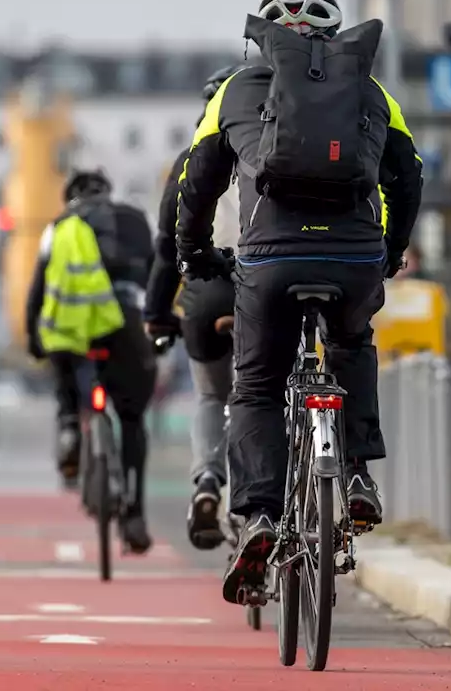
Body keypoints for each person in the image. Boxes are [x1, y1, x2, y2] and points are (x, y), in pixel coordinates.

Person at [174, 0, 423, 603]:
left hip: (269, 259)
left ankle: (259, 514)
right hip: (354, 257)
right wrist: (390, 249)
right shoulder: (372, 92)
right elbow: (409, 175)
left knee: (256, 386)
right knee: (352, 343)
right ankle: (359, 474)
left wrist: (193, 251)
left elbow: (198, 179)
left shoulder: (234, 91)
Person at [25, 168, 159, 553]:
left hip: (76, 328)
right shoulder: (136, 220)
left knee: (62, 358)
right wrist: (161, 331)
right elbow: (157, 278)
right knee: (132, 420)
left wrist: (34, 340)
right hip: (129, 324)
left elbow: (38, 290)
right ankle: (134, 513)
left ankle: (69, 425)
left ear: (70, 196)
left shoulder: (60, 226)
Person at [145, 65, 244, 551]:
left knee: (211, 395)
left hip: (206, 294)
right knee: (273, 390)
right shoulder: (281, 152)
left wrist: (156, 314)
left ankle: (207, 479)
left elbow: (168, 249)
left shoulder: (189, 160)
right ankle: (278, 489)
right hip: (269, 285)